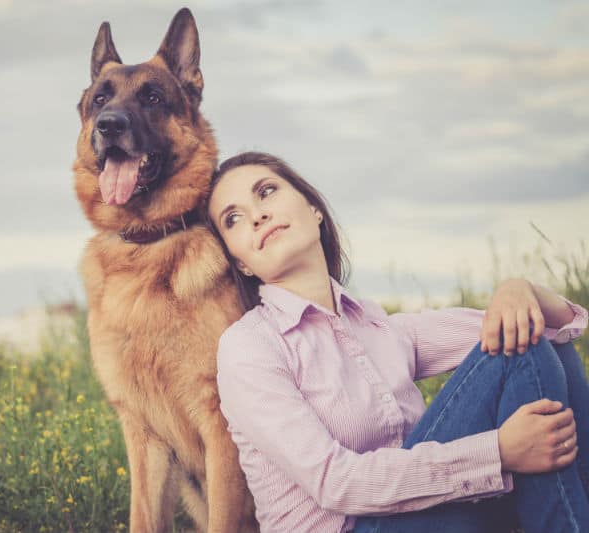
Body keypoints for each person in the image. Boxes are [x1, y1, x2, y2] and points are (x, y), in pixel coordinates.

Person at [205, 151, 589, 533]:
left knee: (526, 337)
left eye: (267, 191)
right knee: (521, 345)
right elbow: (334, 483)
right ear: (240, 263)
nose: (257, 215)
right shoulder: (250, 347)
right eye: (233, 219)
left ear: (313, 208)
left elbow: (550, 327)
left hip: (425, 516)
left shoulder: (379, 326)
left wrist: (519, 289)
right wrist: (500, 451)